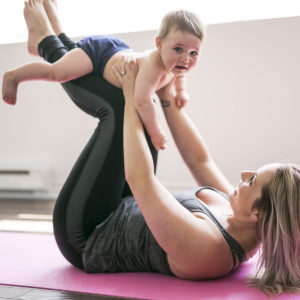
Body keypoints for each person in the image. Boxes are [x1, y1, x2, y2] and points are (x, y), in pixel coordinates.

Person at [7, 0, 300, 297]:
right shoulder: (241, 213)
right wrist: (168, 98)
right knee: (140, 103)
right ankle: (59, 40)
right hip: (122, 204)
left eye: (253, 179)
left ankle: (47, 42)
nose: (245, 173)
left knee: (124, 104)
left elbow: (140, 178)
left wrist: (134, 89)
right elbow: (200, 160)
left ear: (258, 214)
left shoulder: (210, 249)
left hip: (89, 233)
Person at [2, 0, 205, 151]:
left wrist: (181, 92)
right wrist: (156, 132)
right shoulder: (154, 66)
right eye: (178, 49)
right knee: (57, 73)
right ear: (159, 44)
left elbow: (180, 76)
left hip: (117, 53)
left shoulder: (175, 66)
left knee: (66, 61)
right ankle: (14, 76)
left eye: (193, 53)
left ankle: (43, 36)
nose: (185, 59)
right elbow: (142, 102)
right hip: (99, 54)